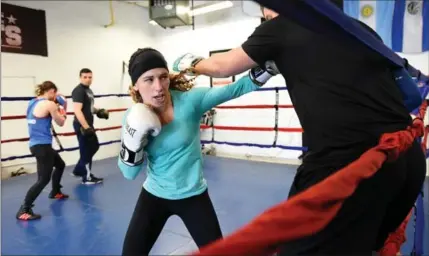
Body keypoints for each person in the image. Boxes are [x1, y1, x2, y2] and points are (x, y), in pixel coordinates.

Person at [172, 6, 427, 255]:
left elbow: (222, 66)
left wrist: (191, 63)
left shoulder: (282, 25)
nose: (265, 14)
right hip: (406, 156)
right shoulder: (357, 28)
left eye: (266, 9)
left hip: (351, 165)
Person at [117, 47, 278, 255]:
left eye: (163, 77)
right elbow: (129, 174)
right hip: (154, 195)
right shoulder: (132, 118)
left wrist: (268, 69)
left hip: (193, 195)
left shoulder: (189, 101)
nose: (159, 87)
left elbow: (233, 89)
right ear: (136, 85)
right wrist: (134, 143)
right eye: (149, 80)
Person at [16, 81, 69, 221]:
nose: (55, 96)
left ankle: (55, 191)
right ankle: (24, 209)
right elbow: (61, 122)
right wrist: (63, 107)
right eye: (54, 93)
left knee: (60, 164)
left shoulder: (32, 102)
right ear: (51, 91)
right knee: (43, 179)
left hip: (36, 145)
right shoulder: (50, 104)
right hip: (42, 147)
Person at [71, 68, 108, 184]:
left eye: (90, 77)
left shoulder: (89, 91)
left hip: (88, 124)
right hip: (82, 125)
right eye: (85, 77)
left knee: (93, 147)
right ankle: (86, 177)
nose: (88, 79)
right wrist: (86, 127)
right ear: (80, 78)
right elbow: (77, 110)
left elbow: (89, 108)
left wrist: (98, 111)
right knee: (87, 150)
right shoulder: (78, 91)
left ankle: (79, 170)